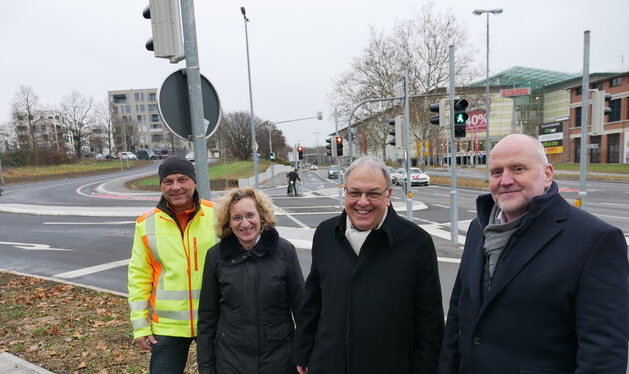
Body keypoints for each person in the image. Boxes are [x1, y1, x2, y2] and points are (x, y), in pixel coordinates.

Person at [438, 134, 629, 374]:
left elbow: (604, 354)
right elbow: (458, 315)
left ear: (547, 174)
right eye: (496, 172)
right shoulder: (479, 228)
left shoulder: (596, 240)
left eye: (518, 169)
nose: (505, 180)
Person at [293, 156, 445, 374]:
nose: (362, 202)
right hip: (327, 364)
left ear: (388, 196)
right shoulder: (325, 234)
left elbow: (430, 323)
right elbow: (313, 300)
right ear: (345, 193)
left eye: (373, 193)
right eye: (355, 193)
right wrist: (303, 350)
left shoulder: (417, 243)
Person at [197, 187, 305, 374]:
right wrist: (206, 367)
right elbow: (207, 317)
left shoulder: (284, 251)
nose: (245, 223)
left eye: (250, 215)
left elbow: (302, 309)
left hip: (279, 361)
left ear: (261, 217)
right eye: (237, 218)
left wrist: (304, 355)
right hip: (230, 361)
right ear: (228, 223)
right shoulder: (215, 256)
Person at [128, 156, 216, 373]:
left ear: (194, 182)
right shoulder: (145, 223)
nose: (176, 187)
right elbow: (139, 277)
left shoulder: (217, 214)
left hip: (215, 321)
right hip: (168, 327)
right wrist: (140, 326)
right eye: (168, 181)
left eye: (182, 179)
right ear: (161, 186)